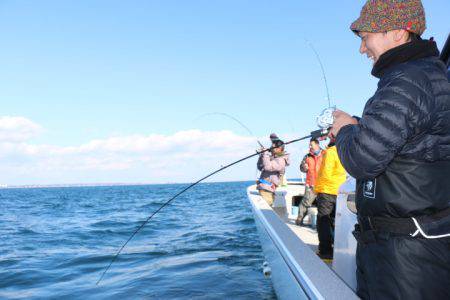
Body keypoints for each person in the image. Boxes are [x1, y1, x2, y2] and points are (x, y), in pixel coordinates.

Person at [331, 1, 450, 298]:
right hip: (410, 246)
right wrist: (360, 125)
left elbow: (362, 159)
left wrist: (345, 129)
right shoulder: (422, 76)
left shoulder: (407, 80)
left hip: (405, 256)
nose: (362, 48)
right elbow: (411, 139)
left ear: (397, 32)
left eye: (365, 37)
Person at [313, 138, 346, 259]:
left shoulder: (331, 152)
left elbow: (325, 173)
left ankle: (325, 251)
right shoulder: (346, 151)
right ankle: (337, 248)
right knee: (333, 220)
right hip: (340, 191)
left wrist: (317, 188)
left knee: (323, 221)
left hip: (327, 190)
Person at [296, 138, 323, 225]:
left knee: (323, 205)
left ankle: (321, 224)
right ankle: (299, 220)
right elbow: (301, 168)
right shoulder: (307, 156)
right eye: (309, 145)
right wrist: (303, 167)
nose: (310, 146)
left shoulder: (325, 154)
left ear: (317, 144)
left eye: (311, 144)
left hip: (323, 185)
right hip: (311, 184)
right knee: (305, 203)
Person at [257, 139, 290, 206]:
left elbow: (267, 167)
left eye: (273, 147)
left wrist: (265, 153)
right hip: (264, 188)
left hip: (267, 190)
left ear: (279, 149)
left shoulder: (281, 160)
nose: (271, 148)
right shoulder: (273, 157)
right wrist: (262, 155)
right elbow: (260, 167)